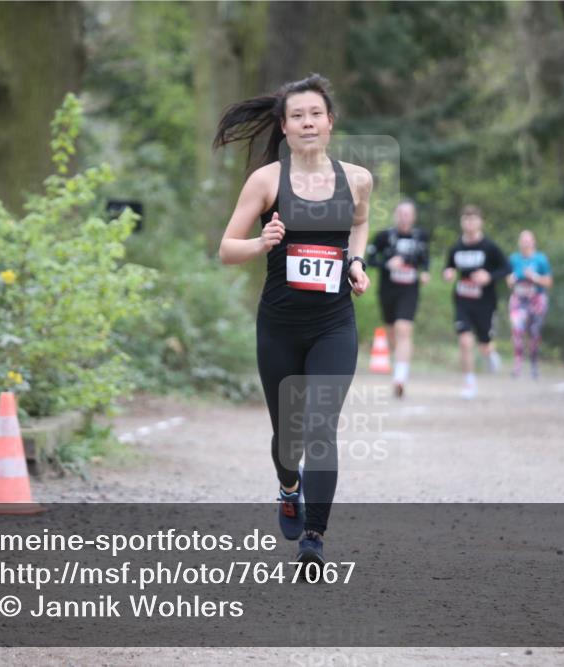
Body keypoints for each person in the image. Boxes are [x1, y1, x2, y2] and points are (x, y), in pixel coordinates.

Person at [216, 74, 372, 565]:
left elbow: (361, 221)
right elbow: (225, 250)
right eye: (297, 116)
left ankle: (314, 537)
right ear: (284, 127)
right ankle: (288, 487)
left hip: (334, 323)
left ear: (330, 122)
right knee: (289, 436)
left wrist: (356, 262)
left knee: (322, 428)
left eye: (315, 114)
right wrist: (262, 242)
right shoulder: (266, 181)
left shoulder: (358, 178)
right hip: (280, 324)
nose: (308, 122)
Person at [442, 205, 510, 399]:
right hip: (462, 300)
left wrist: (489, 276)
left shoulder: (490, 247)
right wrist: (448, 273)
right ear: (462, 223)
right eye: (466, 220)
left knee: (484, 344)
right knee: (464, 340)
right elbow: (449, 267)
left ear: (481, 222)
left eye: (473, 220)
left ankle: (489, 353)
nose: (469, 224)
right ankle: (469, 383)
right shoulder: (456, 247)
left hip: (485, 302)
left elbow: (506, 268)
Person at [366, 199, 430, 398]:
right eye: (401, 213)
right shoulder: (383, 236)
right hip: (388, 290)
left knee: (404, 328)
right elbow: (370, 259)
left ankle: (400, 379)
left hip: (409, 290)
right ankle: (399, 364)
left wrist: (426, 272)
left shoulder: (421, 237)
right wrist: (387, 264)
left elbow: (425, 258)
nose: (404, 217)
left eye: (408, 214)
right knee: (392, 332)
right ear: (395, 215)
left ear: (413, 217)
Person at [506, 230, 553, 379]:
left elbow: (549, 282)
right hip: (518, 300)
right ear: (519, 242)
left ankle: (533, 363)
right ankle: (517, 364)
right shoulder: (513, 259)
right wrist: (511, 280)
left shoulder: (541, 259)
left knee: (534, 334)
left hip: (536, 300)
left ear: (533, 242)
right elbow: (508, 280)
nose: (525, 243)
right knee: (517, 331)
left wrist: (535, 277)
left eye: (528, 240)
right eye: (523, 240)